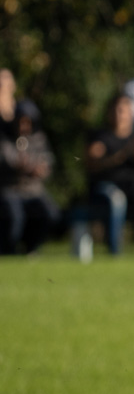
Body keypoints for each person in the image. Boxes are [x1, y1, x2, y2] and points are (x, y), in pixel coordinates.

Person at [85, 93, 134, 253]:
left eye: (123, 111)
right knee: (116, 200)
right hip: (106, 189)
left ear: (131, 113)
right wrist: (124, 153)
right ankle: (114, 251)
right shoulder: (100, 137)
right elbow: (93, 162)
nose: (119, 115)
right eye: (115, 110)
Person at [0, 70, 58, 255]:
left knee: (49, 213)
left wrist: (41, 169)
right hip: (9, 188)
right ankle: (9, 250)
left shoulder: (38, 138)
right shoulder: (5, 135)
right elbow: (6, 156)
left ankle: (31, 249)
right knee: (14, 216)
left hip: (33, 189)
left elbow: (47, 160)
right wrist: (18, 165)